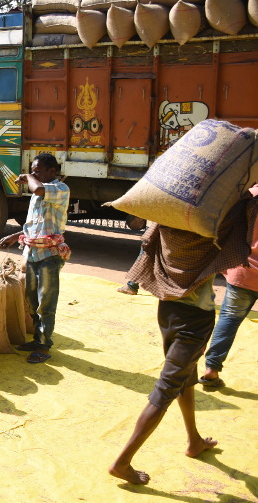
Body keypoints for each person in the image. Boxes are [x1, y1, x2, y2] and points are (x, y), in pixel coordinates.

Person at [108, 195, 255, 485]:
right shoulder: (212, 226)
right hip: (194, 319)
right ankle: (122, 462)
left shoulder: (170, 218)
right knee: (165, 390)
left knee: (185, 377)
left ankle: (194, 440)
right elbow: (242, 222)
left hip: (168, 308)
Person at [0, 153, 70, 364]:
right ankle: (38, 338)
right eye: (33, 170)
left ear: (52, 172)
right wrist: (14, 237)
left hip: (49, 255)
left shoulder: (59, 189)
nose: (33, 174)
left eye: (37, 170)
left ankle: (44, 345)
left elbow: (38, 187)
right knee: (31, 299)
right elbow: (31, 226)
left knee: (46, 301)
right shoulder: (38, 195)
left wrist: (28, 177)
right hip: (33, 254)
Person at [199, 183, 258, 389]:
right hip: (242, 270)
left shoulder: (248, 196)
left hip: (243, 270)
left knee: (229, 320)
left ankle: (211, 369)